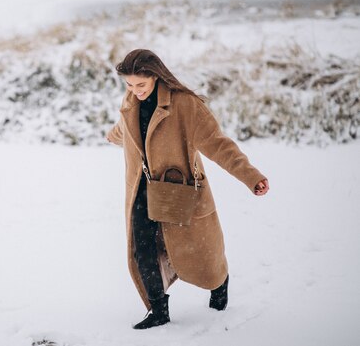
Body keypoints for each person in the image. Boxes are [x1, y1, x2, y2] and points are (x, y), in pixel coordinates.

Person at [105, 49, 269, 329]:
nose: (135, 91)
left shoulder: (185, 105)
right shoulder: (131, 100)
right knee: (141, 249)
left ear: (156, 77)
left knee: (202, 254)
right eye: (129, 85)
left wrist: (251, 176)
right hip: (141, 191)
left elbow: (219, 144)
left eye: (140, 85)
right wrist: (112, 136)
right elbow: (127, 129)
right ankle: (157, 309)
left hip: (179, 190)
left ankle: (219, 285)